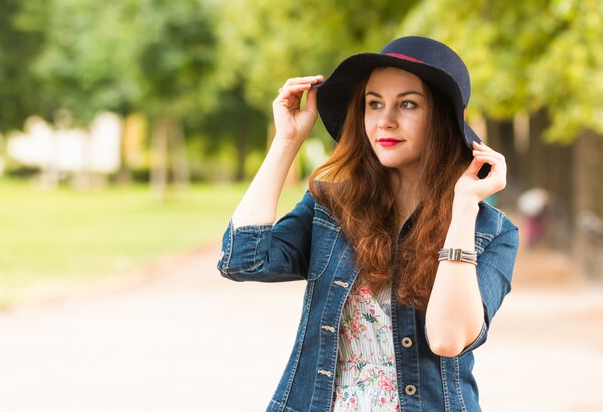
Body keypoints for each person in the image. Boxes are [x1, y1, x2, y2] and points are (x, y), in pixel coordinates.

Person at [217, 36, 519, 412]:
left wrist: (463, 206)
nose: (385, 120)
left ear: (441, 118)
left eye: (407, 104)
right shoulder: (333, 206)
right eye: (374, 103)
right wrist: (287, 141)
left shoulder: (490, 231)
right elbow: (243, 259)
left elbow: (447, 338)